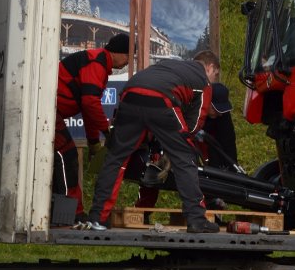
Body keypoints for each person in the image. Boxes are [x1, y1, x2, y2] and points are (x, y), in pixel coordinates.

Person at [84, 50, 221, 233]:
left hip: (130, 93)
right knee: (185, 159)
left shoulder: (170, 66)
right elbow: (195, 122)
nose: (214, 79)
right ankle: (196, 219)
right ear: (210, 67)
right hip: (162, 98)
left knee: (115, 157)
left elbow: (143, 104)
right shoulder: (202, 80)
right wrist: (176, 146)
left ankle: (97, 218)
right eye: (216, 75)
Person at [53, 33, 130, 222]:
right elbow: (89, 103)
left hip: (52, 111)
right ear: (118, 52)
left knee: (62, 159)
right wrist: (106, 130)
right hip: (47, 110)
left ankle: (70, 213)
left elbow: (88, 109)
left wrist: (94, 142)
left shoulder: (100, 63)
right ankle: (68, 215)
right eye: (128, 55)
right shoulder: (97, 63)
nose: (129, 61)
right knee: (67, 157)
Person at [132, 81, 238, 209]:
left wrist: (233, 173)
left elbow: (228, 144)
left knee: (213, 169)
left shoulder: (222, 117)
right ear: (207, 101)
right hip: (174, 136)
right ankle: (144, 210)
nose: (220, 113)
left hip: (204, 143)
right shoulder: (188, 105)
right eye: (216, 109)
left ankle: (210, 205)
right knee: (154, 170)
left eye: (222, 110)